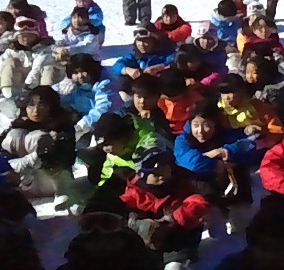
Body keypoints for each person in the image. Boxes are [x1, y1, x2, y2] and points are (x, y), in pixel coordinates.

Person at [173, 102, 257, 235]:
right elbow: (192, 163)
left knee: (239, 171)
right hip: (200, 184)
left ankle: (240, 219)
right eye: (195, 125)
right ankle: (216, 229)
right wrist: (217, 164)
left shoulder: (224, 134)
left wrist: (224, 151)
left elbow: (250, 147)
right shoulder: (183, 140)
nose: (200, 131)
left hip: (225, 181)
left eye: (206, 125)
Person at [0, 86, 75, 202]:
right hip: (23, 179)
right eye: (31, 105)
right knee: (15, 135)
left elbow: (61, 157)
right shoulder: (21, 124)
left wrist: (28, 161)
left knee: (39, 137)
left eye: (42, 106)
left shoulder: (62, 127)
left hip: (51, 180)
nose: (35, 111)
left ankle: (63, 193)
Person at [92, 112, 171, 187]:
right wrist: (100, 187)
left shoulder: (149, 141)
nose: (105, 149)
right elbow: (106, 171)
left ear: (120, 136)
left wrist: (144, 179)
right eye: (102, 146)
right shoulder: (114, 154)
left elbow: (158, 167)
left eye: (107, 144)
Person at [60, 54, 119, 140]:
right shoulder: (75, 85)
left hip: (104, 124)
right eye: (75, 73)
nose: (80, 76)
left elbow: (103, 108)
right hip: (83, 119)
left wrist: (84, 122)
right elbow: (64, 98)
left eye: (83, 71)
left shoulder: (104, 85)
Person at [0, 17, 55, 98]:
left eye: (29, 36)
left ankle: (46, 96)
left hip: (36, 84)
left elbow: (36, 69)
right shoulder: (11, 52)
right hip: (17, 85)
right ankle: (8, 94)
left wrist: (28, 87)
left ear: (36, 37)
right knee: (8, 62)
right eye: (22, 36)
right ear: (17, 38)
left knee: (48, 66)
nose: (26, 39)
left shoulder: (43, 50)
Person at [112, 26, 174, 93]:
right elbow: (117, 65)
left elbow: (175, 60)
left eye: (145, 41)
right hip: (142, 88)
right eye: (139, 41)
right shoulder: (135, 56)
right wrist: (127, 70)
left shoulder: (165, 53)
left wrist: (160, 67)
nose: (141, 45)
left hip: (160, 87)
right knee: (124, 79)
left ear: (154, 42)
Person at [157, 68, 203, 137]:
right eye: (169, 97)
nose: (173, 100)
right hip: (163, 131)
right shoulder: (159, 99)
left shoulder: (194, 100)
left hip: (185, 133)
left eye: (177, 97)